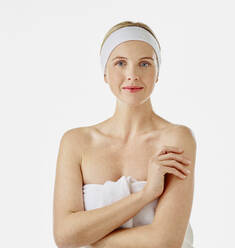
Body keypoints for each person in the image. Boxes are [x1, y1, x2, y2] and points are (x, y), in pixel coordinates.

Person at [53, 21, 196, 248]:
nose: (132, 75)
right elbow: (64, 236)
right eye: (120, 63)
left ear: (158, 73)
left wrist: (89, 238)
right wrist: (146, 194)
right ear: (105, 73)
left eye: (145, 64)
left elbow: (165, 241)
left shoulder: (176, 139)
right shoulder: (76, 142)